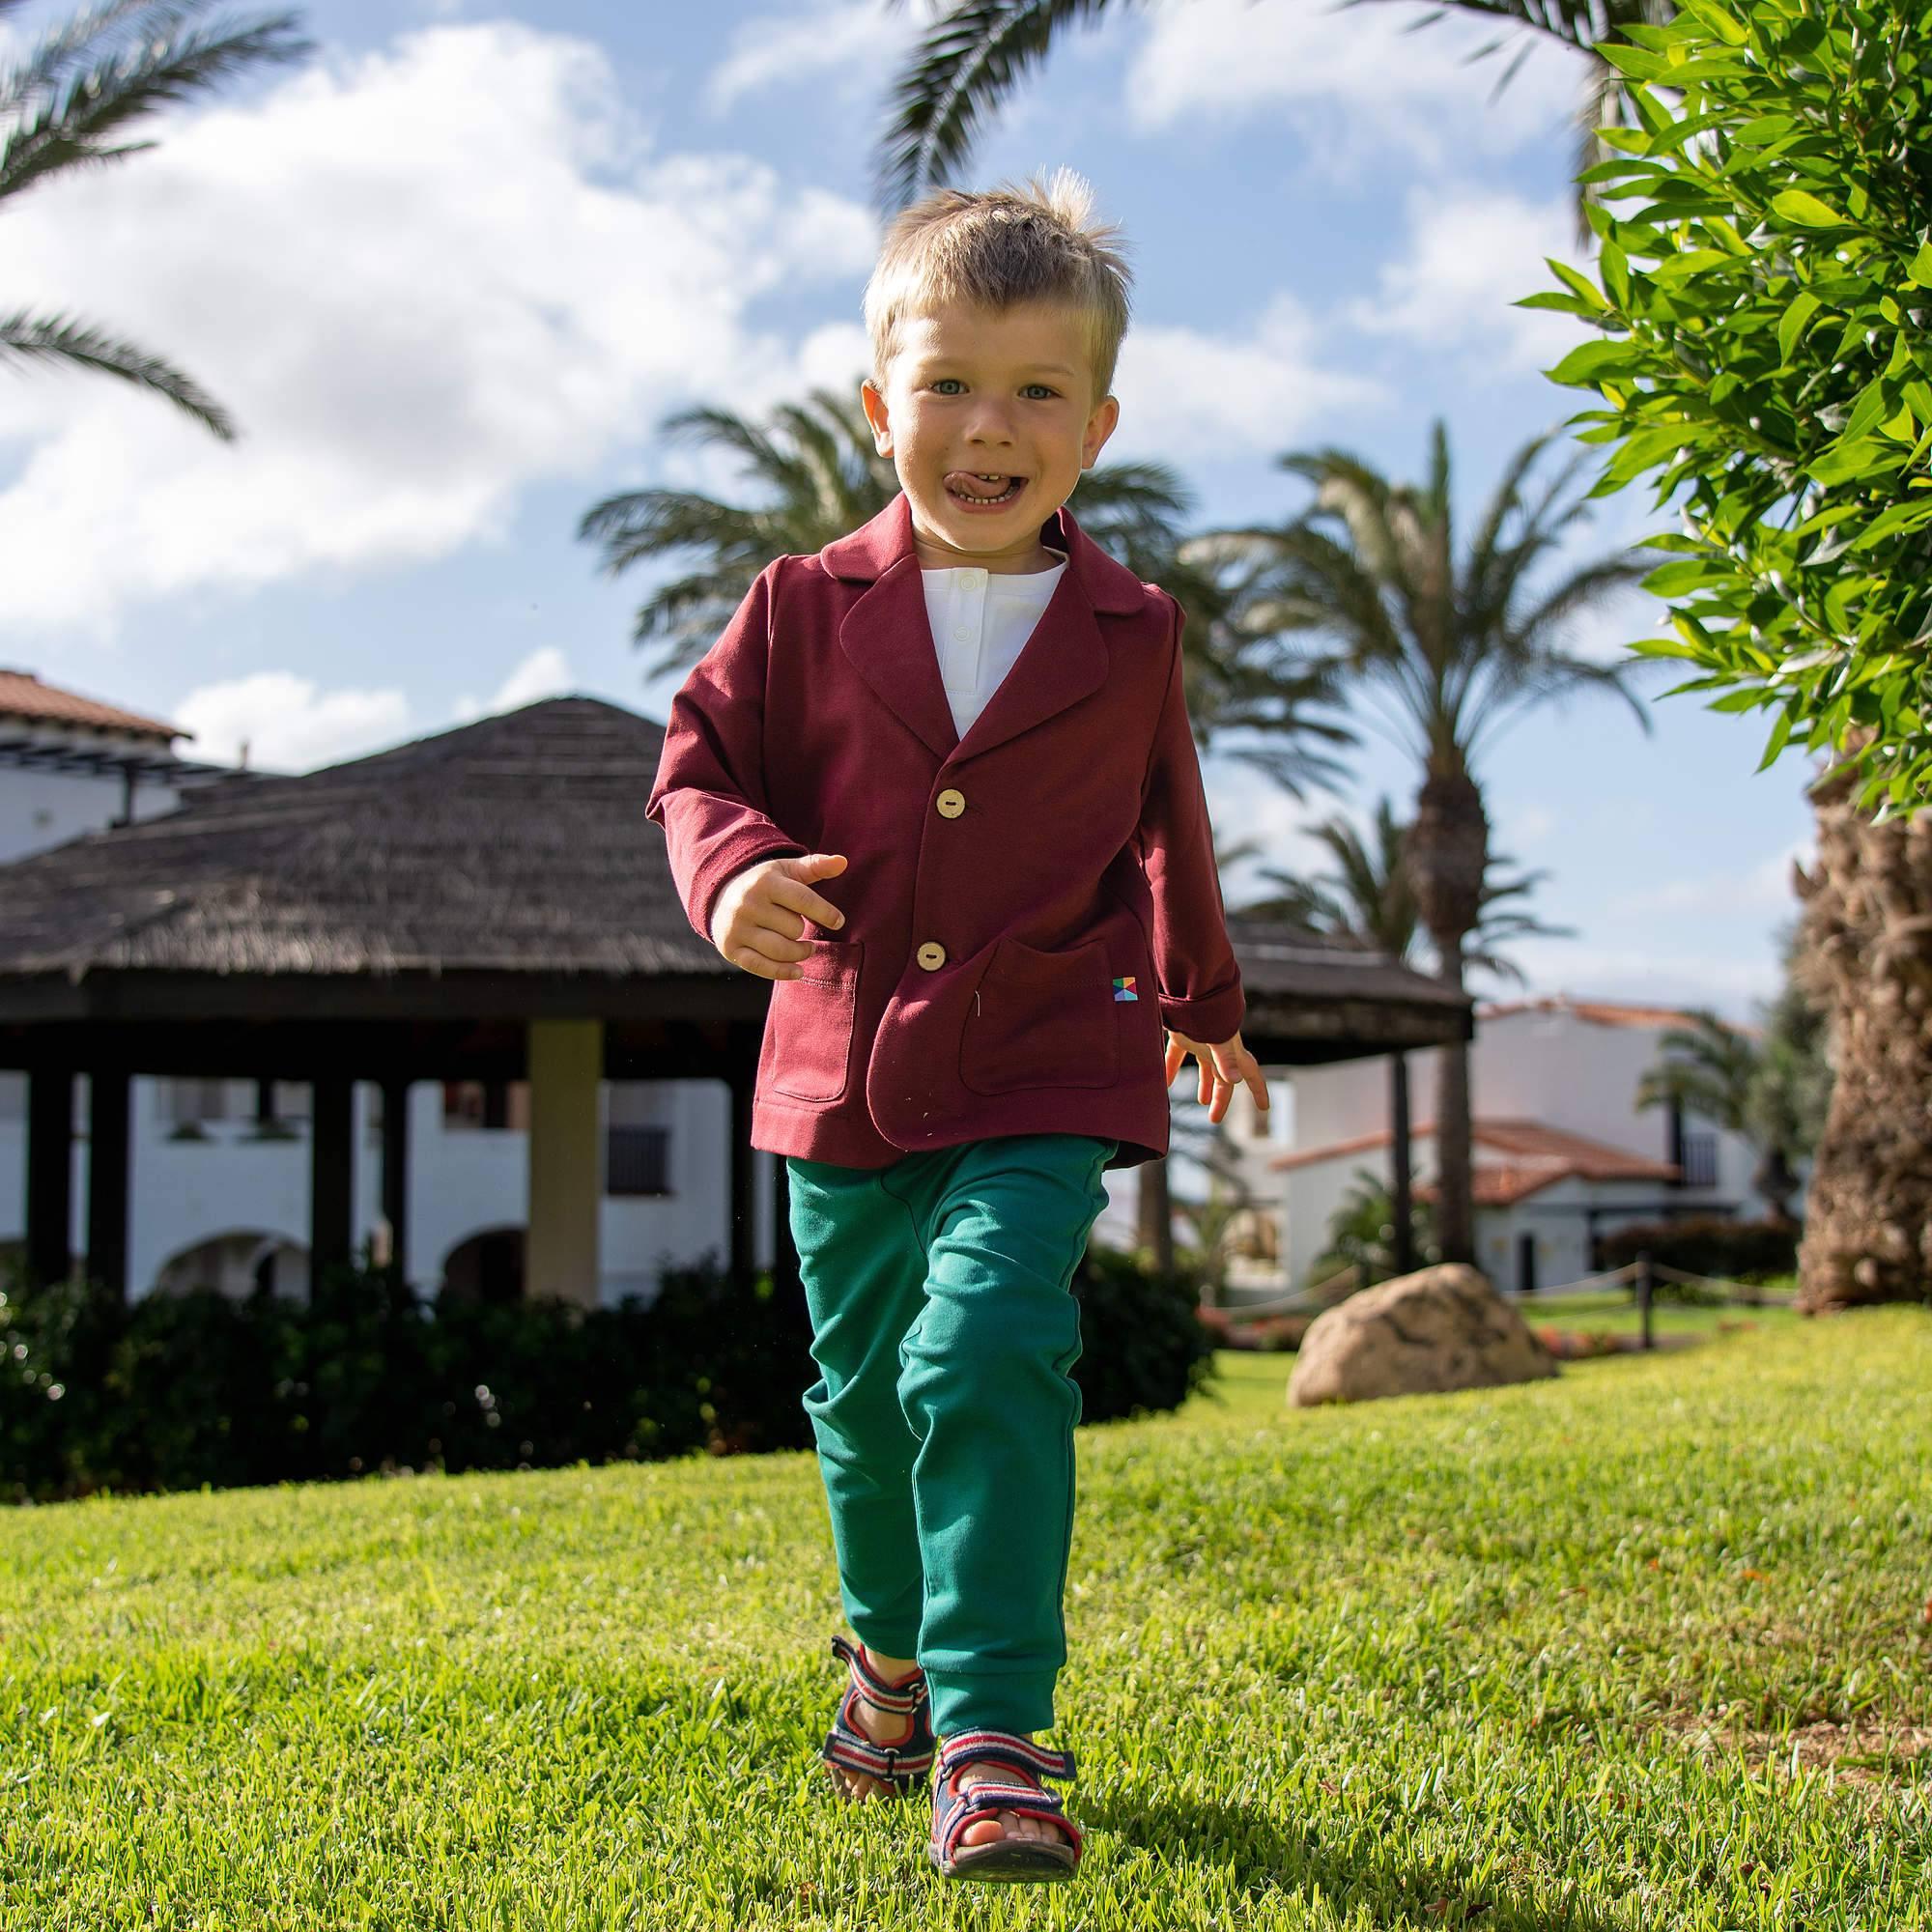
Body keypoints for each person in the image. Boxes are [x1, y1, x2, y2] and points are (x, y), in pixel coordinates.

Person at [644, 167, 1267, 1885]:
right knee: (860, 1392)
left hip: (1054, 1043)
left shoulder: (1134, 630)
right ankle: (891, 1654)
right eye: (948, 388)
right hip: (836, 1061)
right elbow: (695, 772)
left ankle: (995, 1730)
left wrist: (1204, 1001)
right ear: (877, 406)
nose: (988, 431)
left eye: (1036, 394)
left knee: (985, 1343)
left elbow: (1169, 822)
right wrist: (734, 880)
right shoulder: (792, 606)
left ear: (1099, 424)